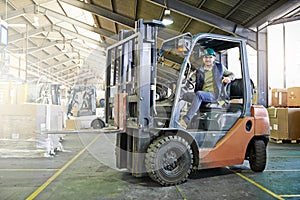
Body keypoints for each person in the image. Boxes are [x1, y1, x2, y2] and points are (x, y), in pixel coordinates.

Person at [178, 47, 235, 129]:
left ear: (214, 58)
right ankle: (175, 119)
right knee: (182, 95)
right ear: (203, 58)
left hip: (216, 96)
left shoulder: (220, 67)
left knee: (199, 94)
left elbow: (232, 74)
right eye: (206, 57)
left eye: (210, 57)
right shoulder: (199, 70)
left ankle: (185, 121)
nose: (208, 59)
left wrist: (229, 78)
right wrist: (184, 80)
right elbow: (191, 79)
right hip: (203, 95)